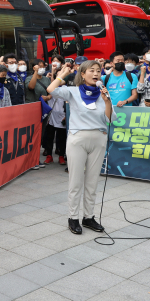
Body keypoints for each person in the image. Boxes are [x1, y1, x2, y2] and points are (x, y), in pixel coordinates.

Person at [46, 61, 115, 234]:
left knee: (92, 182)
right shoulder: (73, 92)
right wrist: (62, 74)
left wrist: (107, 101)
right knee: (76, 181)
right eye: (91, 71)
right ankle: (73, 217)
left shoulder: (103, 93)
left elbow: (111, 119)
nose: (96, 74)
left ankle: (89, 217)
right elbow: (51, 90)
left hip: (99, 138)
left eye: (98, 71)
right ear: (82, 74)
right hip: (78, 138)